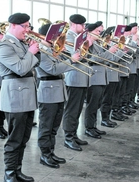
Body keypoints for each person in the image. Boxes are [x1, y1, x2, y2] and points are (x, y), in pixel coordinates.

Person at [0, 13, 39, 182]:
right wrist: (31, 52)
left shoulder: (20, 44)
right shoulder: (5, 46)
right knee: (14, 139)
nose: (28, 30)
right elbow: (21, 68)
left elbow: (34, 63)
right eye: (25, 26)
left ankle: (17, 170)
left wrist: (35, 50)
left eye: (28, 26)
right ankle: (9, 174)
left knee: (24, 138)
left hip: (27, 96)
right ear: (13, 25)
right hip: (15, 97)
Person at [35, 23, 80, 169]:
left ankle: (51, 152)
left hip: (58, 90)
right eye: (55, 36)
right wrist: (71, 60)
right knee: (46, 126)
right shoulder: (41, 50)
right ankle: (44, 154)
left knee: (54, 126)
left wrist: (62, 53)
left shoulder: (52, 49)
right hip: (48, 90)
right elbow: (52, 69)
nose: (57, 38)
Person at [62, 14, 90, 152]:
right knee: (71, 109)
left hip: (81, 78)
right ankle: (68, 137)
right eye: (82, 25)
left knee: (78, 108)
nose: (84, 27)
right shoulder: (68, 37)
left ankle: (73, 134)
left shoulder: (79, 37)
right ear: (74, 24)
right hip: (73, 78)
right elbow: (75, 56)